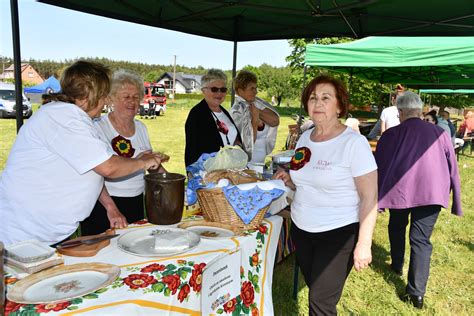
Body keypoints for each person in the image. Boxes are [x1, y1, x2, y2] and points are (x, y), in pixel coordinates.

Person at [0, 61, 163, 246]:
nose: (103, 103)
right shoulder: (64, 118)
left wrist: (110, 207)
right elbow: (108, 167)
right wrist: (143, 162)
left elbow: (93, 168)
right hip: (24, 236)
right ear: (89, 96)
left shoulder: (72, 118)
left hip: (44, 234)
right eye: (102, 97)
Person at [274, 75, 378, 315]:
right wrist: (291, 180)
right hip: (302, 230)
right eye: (312, 98)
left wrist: (364, 243)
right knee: (319, 292)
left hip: (338, 234)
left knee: (320, 303)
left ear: (339, 106)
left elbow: (369, 197)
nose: (317, 103)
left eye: (325, 98)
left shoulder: (354, 143)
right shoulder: (304, 138)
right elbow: (306, 179)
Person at [375, 91, 462, 309]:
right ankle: (416, 294)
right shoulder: (439, 133)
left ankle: (396, 264)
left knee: (396, 227)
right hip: (431, 193)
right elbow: (453, 166)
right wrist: (456, 199)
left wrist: (377, 197)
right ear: (420, 110)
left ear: (400, 112)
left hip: (400, 192)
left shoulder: (391, 135)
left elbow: (380, 166)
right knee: (421, 239)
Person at [81, 69, 166, 236]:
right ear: (111, 98)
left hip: (135, 201)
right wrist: (111, 208)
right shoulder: (98, 126)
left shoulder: (141, 127)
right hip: (104, 204)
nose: (132, 102)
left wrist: (172, 185)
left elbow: (151, 165)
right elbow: (93, 172)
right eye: (126, 97)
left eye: (136, 97)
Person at [184, 69, 242, 167]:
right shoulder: (196, 114)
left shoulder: (224, 112)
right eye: (214, 89)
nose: (219, 93)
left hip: (231, 168)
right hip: (208, 172)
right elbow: (191, 150)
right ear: (203, 90)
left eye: (223, 89)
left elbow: (234, 139)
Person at [230, 70, 279, 164]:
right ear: (240, 91)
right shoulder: (237, 111)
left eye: (256, 88)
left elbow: (275, 121)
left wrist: (257, 112)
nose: (255, 92)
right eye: (252, 88)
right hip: (247, 163)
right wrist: (255, 121)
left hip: (261, 160)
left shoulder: (256, 103)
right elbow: (247, 144)